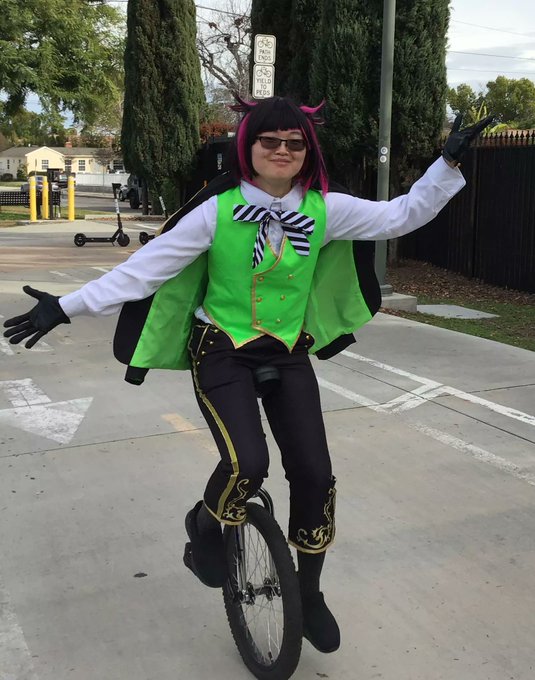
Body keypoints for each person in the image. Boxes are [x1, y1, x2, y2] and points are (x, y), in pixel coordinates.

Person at [3, 97, 492, 655]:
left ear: (307, 151)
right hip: (223, 350)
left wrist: (446, 164)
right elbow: (143, 272)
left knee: (315, 473)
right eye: (270, 141)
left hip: (286, 351)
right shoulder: (217, 212)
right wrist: (64, 307)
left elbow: (402, 214)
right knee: (247, 465)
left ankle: (309, 593)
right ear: (249, 147)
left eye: (295, 142)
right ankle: (205, 525)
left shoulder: (326, 209)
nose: (283, 150)